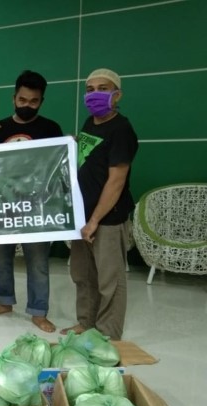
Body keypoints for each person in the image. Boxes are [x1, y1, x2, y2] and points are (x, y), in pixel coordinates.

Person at [0, 70, 63, 333]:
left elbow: (59, 166)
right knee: (0, 259)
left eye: (33, 101)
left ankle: (38, 311)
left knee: (38, 262)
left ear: (41, 101)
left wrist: (67, 145)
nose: (27, 105)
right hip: (3, 204)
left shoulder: (51, 129)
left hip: (37, 207)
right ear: (14, 98)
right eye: (22, 100)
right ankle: (4, 301)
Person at [61, 68, 138, 340]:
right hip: (82, 215)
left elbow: (116, 181)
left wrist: (94, 220)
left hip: (107, 219)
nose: (95, 94)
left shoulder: (122, 130)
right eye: (90, 89)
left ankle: (107, 336)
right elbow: (91, 159)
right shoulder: (90, 123)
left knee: (109, 281)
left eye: (103, 89)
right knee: (83, 275)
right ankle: (86, 323)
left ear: (117, 95)